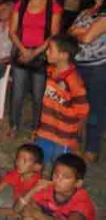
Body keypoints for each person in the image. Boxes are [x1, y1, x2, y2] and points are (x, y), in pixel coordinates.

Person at [8, 0, 62, 137]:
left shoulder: (53, 6)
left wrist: (34, 52)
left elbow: (53, 35)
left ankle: (36, 127)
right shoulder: (21, 4)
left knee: (39, 95)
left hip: (41, 55)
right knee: (17, 93)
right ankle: (14, 125)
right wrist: (24, 50)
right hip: (21, 51)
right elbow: (12, 31)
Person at [69, 0, 106, 163]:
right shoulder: (85, 12)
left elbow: (88, 38)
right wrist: (80, 32)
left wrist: (79, 32)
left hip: (98, 68)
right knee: (77, 106)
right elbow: (70, 32)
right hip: (77, 64)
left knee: (95, 109)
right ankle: (75, 139)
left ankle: (92, 147)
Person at [35, 34, 89, 164]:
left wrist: (76, 139)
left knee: (60, 165)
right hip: (46, 130)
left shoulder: (74, 82)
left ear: (63, 55)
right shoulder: (50, 71)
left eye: (50, 49)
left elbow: (83, 111)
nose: (46, 52)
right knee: (39, 160)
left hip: (64, 136)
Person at [15, 154, 96, 220]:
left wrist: (38, 215)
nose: (58, 179)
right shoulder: (47, 189)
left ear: (78, 183)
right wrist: (33, 190)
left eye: (66, 177)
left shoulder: (82, 201)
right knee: (28, 216)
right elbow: (17, 209)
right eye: (56, 174)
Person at [0, 143, 43, 220]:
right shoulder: (15, 174)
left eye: (24, 161)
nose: (18, 163)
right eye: (18, 158)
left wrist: (12, 213)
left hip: (24, 210)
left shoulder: (38, 183)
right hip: (14, 205)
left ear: (36, 167)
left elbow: (31, 209)